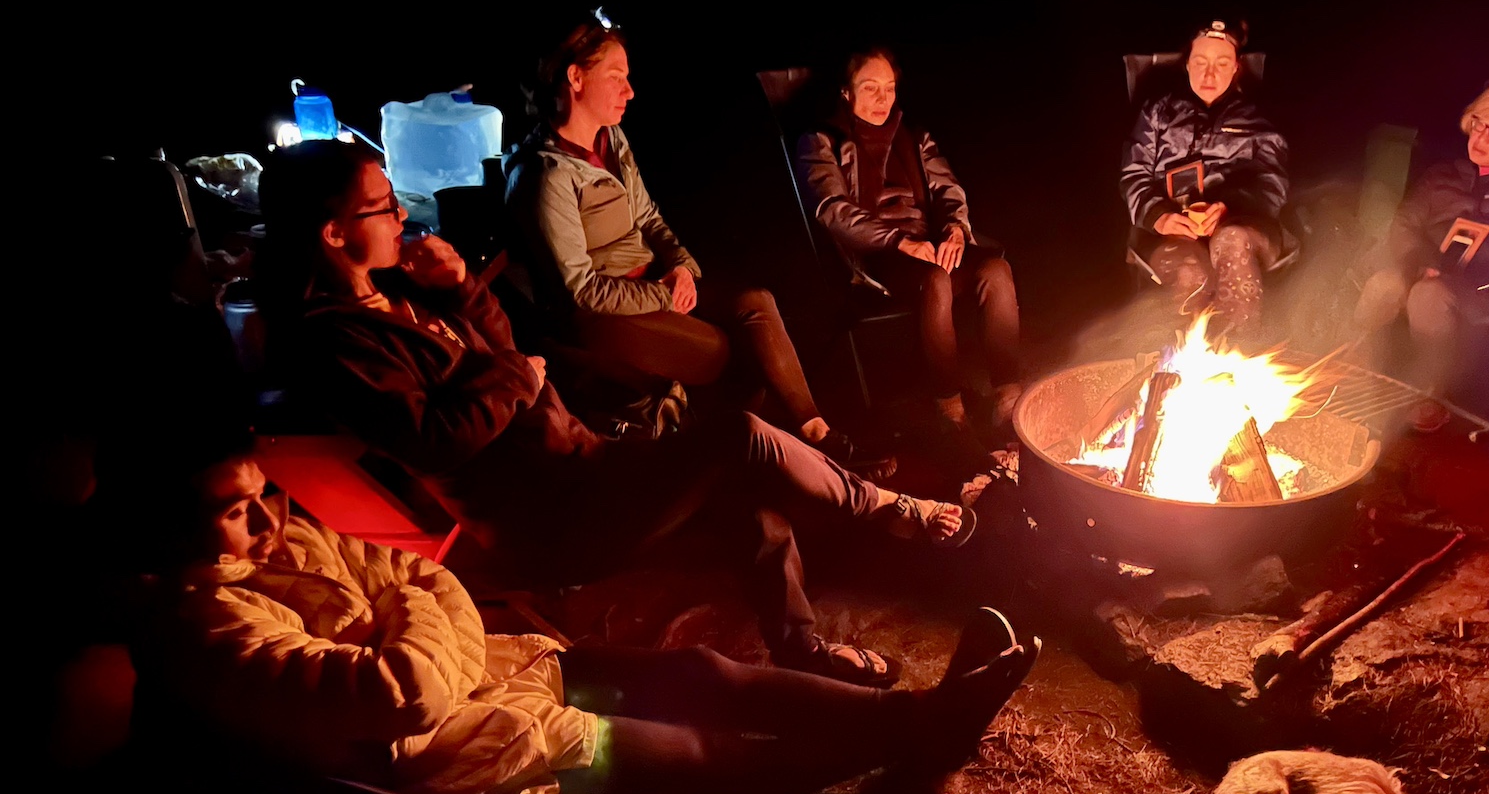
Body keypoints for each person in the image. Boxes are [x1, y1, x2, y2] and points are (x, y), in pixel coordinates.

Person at [257, 142, 973, 687]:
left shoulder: (401, 296)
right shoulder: (336, 342)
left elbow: (502, 350)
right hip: (550, 521)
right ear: (331, 233)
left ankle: (804, 651)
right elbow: (433, 441)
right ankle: (888, 507)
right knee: (737, 437)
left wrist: (464, 289)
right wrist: (514, 376)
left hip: (585, 466)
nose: (402, 215)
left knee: (747, 501)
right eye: (383, 206)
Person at [140, 440, 1038, 794]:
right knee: (705, 752)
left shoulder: (289, 541)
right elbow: (403, 696)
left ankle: (923, 723)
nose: (268, 521)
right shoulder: (210, 625)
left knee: (702, 671)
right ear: (174, 529)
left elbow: (422, 579)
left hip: (494, 669)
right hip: (462, 748)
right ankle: (921, 741)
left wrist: (401, 615)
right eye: (235, 512)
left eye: (264, 495)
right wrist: (410, 619)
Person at [504, 12, 890, 476]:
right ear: (575, 78)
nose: (630, 90)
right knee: (721, 352)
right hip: (603, 314)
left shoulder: (611, 137)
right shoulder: (546, 175)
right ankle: (745, 461)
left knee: (756, 302)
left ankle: (816, 436)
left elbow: (647, 214)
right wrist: (666, 294)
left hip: (652, 282)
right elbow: (581, 289)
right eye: (616, 78)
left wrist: (682, 264)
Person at [796, 47, 1024, 460]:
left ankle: (1008, 395)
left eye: (890, 88)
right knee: (935, 279)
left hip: (929, 245)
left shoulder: (914, 138)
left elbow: (947, 188)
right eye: (870, 88)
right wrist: (900, 242)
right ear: (846, 92)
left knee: (996, 270)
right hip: (876, 256)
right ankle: (949, 407)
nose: (883, 99)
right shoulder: (820, 141)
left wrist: (955, 229)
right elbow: (832, 209)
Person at [1351, 74, 1489, 406]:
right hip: (1425, 271)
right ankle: (1354, 364)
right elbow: (1406, 222)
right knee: (1385, 282)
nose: (1481, 138)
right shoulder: (1443, 176)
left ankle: (1432, 390)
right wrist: (1419, 262)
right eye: (1480, 123)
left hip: (1479, 289)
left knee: (1429, 296)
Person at [1121, 19, 1290, 342]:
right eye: (1200, 62)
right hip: (1172, 234)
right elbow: (1134, 175)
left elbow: (1272, 184)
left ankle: (1240, 355)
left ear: (1236, 68)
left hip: (1246, 228)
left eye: (1221, 63)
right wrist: (1158, 216)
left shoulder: (1259, 119)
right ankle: (1184, 372)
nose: (1209, 74)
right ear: (1187, 64)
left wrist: (1230, 207)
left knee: (1231, 241)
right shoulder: (1157, 113)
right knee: (1190, 271)